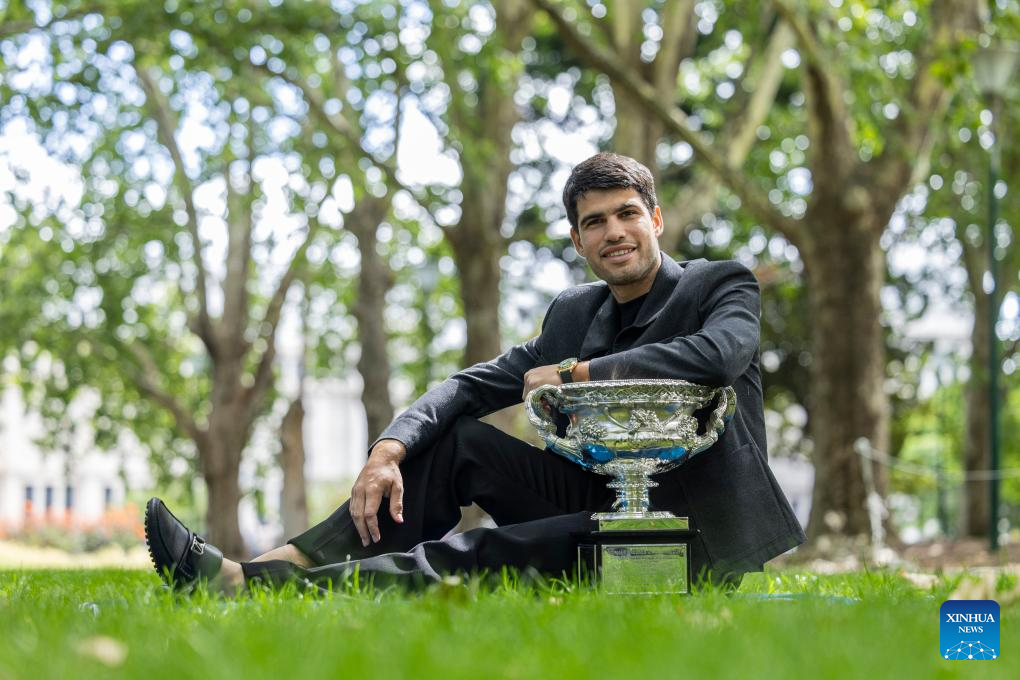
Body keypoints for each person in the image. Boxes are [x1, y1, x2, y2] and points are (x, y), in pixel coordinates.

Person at [145, 152, 805, 594]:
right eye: (595, 222)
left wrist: (577, 373)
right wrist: (388, 448)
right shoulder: (575, 311)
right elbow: (470, 385)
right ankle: (279, 564)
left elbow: (717, 355)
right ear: (578, 242)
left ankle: (256, 586)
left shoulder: (720, 284)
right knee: (456, 440)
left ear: (655, 219)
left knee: (487, 551)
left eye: (628, 213)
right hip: (597, 498)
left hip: (700, 533)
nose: (614, 232)